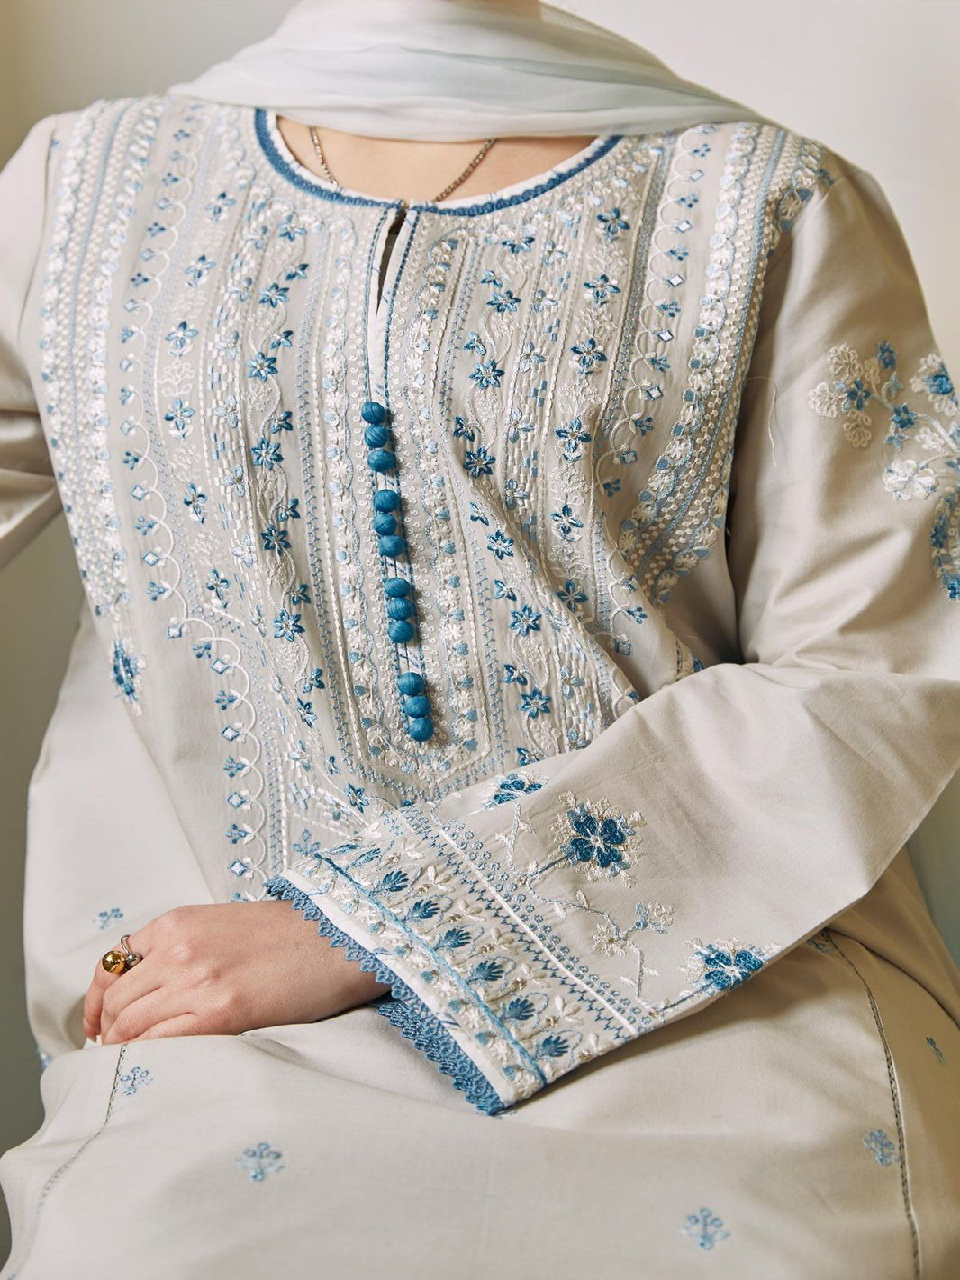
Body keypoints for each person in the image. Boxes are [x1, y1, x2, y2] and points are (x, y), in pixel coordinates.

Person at [1, 0, 959, 1275]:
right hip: (221, 1014)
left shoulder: (764, 198)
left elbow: (874, 670)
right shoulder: (83, 191)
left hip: (716, 984)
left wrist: (364, 927)